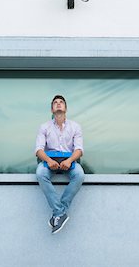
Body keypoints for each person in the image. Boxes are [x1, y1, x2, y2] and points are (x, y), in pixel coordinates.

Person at [35, 95, 84, 234]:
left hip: (70, 161)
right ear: (52, 109)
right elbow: (38, 149)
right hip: (49, 161)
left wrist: (68, 161)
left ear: (65, 108)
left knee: (79, 175)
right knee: (40, 173)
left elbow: (79, 150)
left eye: (61, 102)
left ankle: (58, 212)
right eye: (55, 103)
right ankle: (60, 212)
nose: (58, 104)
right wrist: (49, 161)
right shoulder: (44, 127)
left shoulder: (75, 126)